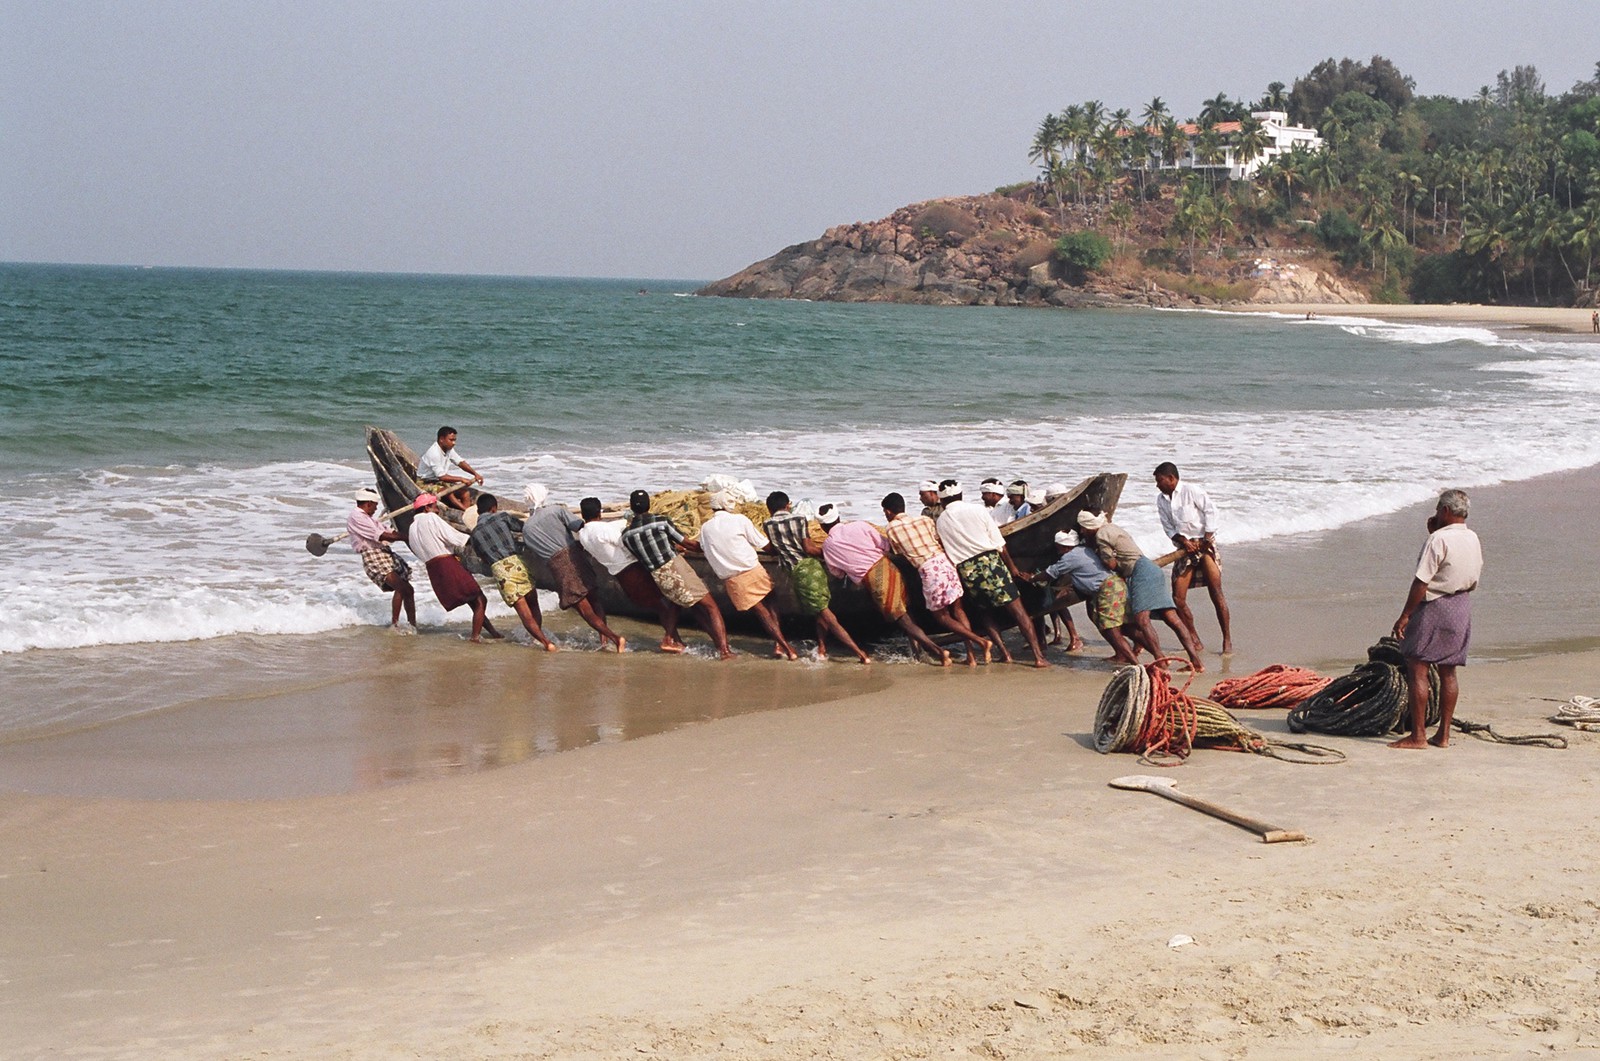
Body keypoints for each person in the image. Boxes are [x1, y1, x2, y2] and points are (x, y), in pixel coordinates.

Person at [1390, 489, 1483, 749]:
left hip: (1435, 605)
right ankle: (1443, 735)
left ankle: (1418, 736)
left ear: (1444, 511)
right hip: (1461, 604)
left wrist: (1405, 615)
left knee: (1418, 667)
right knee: (1448, 671)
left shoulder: (1438, 540)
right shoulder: (1473, 537)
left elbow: (1422, 581)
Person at [935, 480, 1049, 667]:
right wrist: (1012, 568)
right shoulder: (978, 511)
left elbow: (949, 551)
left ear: (942, 502)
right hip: (990, 562)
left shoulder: (941, 521)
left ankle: (1005, 653)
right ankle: (1038, 657)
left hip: (967, 569)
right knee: (1018, 611)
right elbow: (999, 544)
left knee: (985, 614)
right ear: (961, 495)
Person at [820, 507, 951, 666]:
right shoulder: (859, 525)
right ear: (838, 517)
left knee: (902, 620)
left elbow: (837, 573)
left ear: (822, 527)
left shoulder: (828, 545)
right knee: (906, 612)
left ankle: (938, 651)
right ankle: (917, 653)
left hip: (876, 581)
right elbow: (885, 545)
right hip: (889, 568)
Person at [1077, 509, 1202, 672]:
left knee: (1142, 620)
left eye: (1083, 528)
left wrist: (1099, 555)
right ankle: (1196, 662)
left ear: (1090, 526)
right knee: (1172, 618)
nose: (1082, 531)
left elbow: (1110, 564)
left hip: (1139, 572)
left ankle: (1161, 661)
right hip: (1150, 567)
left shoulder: (1101, 535)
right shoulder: (1113, 528)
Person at [879, 492, 991, 666]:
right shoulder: (925, 520)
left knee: (941, 616)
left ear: (888, 512)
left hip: (930, 570)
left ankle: (981, 642)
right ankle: (971, 656)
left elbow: (898, 553)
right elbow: (937, 540)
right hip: (946, 563)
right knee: (958, 610)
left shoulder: (892, 528)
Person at [621, 489, 733, 659]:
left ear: (632, 508)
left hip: (658, 575)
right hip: (676, 568)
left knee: (680, 603)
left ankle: (672, 638)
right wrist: (710, 546)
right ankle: (725, 652)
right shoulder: (661, 522)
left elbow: (647, 551)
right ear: (649, 505)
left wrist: (672, 547)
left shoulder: (627, 535)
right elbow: (688, 543)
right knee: (711, 606)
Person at [763, 492, 871, 664]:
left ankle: (860, 653)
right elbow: (808, 548)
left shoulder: (767, 524)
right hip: (814, 568)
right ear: (788, 505)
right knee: (821, 610)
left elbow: (775, 549)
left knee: (825, 614)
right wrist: (828, 552)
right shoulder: (799, 519)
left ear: (770, 509)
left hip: (800, 575)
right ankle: (822, 648)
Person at [519, 484, 624, 652]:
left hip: (559, 566)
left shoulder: (527, 529)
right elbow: (579, 526)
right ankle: (604, 641)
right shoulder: (556, 510)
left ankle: (615, 638)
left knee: (584, 610)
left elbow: (537, 552)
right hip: (576, 556)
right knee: (595, 599)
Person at [576, 496, 684, 654]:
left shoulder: (583, 535)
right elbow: (627, 542)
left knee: (661, 605)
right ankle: (670, 640)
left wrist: (624, 520)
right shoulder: (603, 530)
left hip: (621, 576)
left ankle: (675, 640)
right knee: (669, 602)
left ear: (583, 515)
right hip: (633, 570)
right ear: (599, 512)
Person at [698, 492, 797, 660]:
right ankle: (784, 647)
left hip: (733, 579)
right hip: (753, 569)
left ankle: (782, 646)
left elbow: (703, 548)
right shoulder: (740, 520)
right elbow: (764, 545)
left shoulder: (705, 528)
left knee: (761, 611)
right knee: (770, 601)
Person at [1154, 461, 1234, 654]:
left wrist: (1206, 538)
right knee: (1178, 598)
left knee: (1216, 592)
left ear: (1171, 478)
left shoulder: (1192, 491)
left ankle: (1227, 640)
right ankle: (1194, 638)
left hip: (1204, 545)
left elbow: (1211, 512)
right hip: (1184, 548)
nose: (1157, 485)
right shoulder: (1161, 500)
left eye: (1160, 480)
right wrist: (1183, 540)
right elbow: (1168, 527)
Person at [467, 494, 559, 651]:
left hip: (501, 572)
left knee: (524, 613)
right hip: (517, 563)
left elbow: (483, 558)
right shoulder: (501, 517)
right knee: (533, 603)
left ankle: (545, 643)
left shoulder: (475, 534)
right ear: (493, 508)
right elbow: (524, 528)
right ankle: (536, 639)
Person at [1029, 530, 1137, 664]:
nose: (1057, 551)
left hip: (1107, 588)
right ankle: (1122, 654)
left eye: (1058, 547)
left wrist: (1032, 578)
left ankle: (1135, 662)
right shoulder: (1084, 550)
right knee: (1108, 625)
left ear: (1066, 547)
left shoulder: (1071, 557)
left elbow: (1051, 573)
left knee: (1111, 628)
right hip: (1114, 585)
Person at [406, 493, 500, 643]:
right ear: (426, 508)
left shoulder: (411, 527)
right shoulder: (430, 518)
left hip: (433, 568)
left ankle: (493, 632)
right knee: (480, 599)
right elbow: (453, 537)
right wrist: (475, 540)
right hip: (446, 563)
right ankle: (475, 637)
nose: (437, 510)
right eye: (435, 506)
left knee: (473, 601)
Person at [346, 487, 416, 631]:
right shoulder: (357, 516)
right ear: (368, 503)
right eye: (375, 505)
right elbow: (384, 536)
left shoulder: (369, 519)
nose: (376, 508)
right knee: (402, 587)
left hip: (383, 552)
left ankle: (412, 625)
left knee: (407, 589)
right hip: (373, 554)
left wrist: (405, 534)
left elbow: (388, 531)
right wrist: (408, 537)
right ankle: (395, 625)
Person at [416, 426, 482, 512]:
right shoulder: (434, 453)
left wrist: (475, 474)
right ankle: (466, 511)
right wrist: (461, 479)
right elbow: (442, 476)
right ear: (441, 439)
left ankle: (465, 514)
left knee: (466, 493)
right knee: (448, 491)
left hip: (438, 481)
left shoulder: (448, 449)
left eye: (454, 440)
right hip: (425, 482)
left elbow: (460, 462)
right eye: (451, 440)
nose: (454, 443)